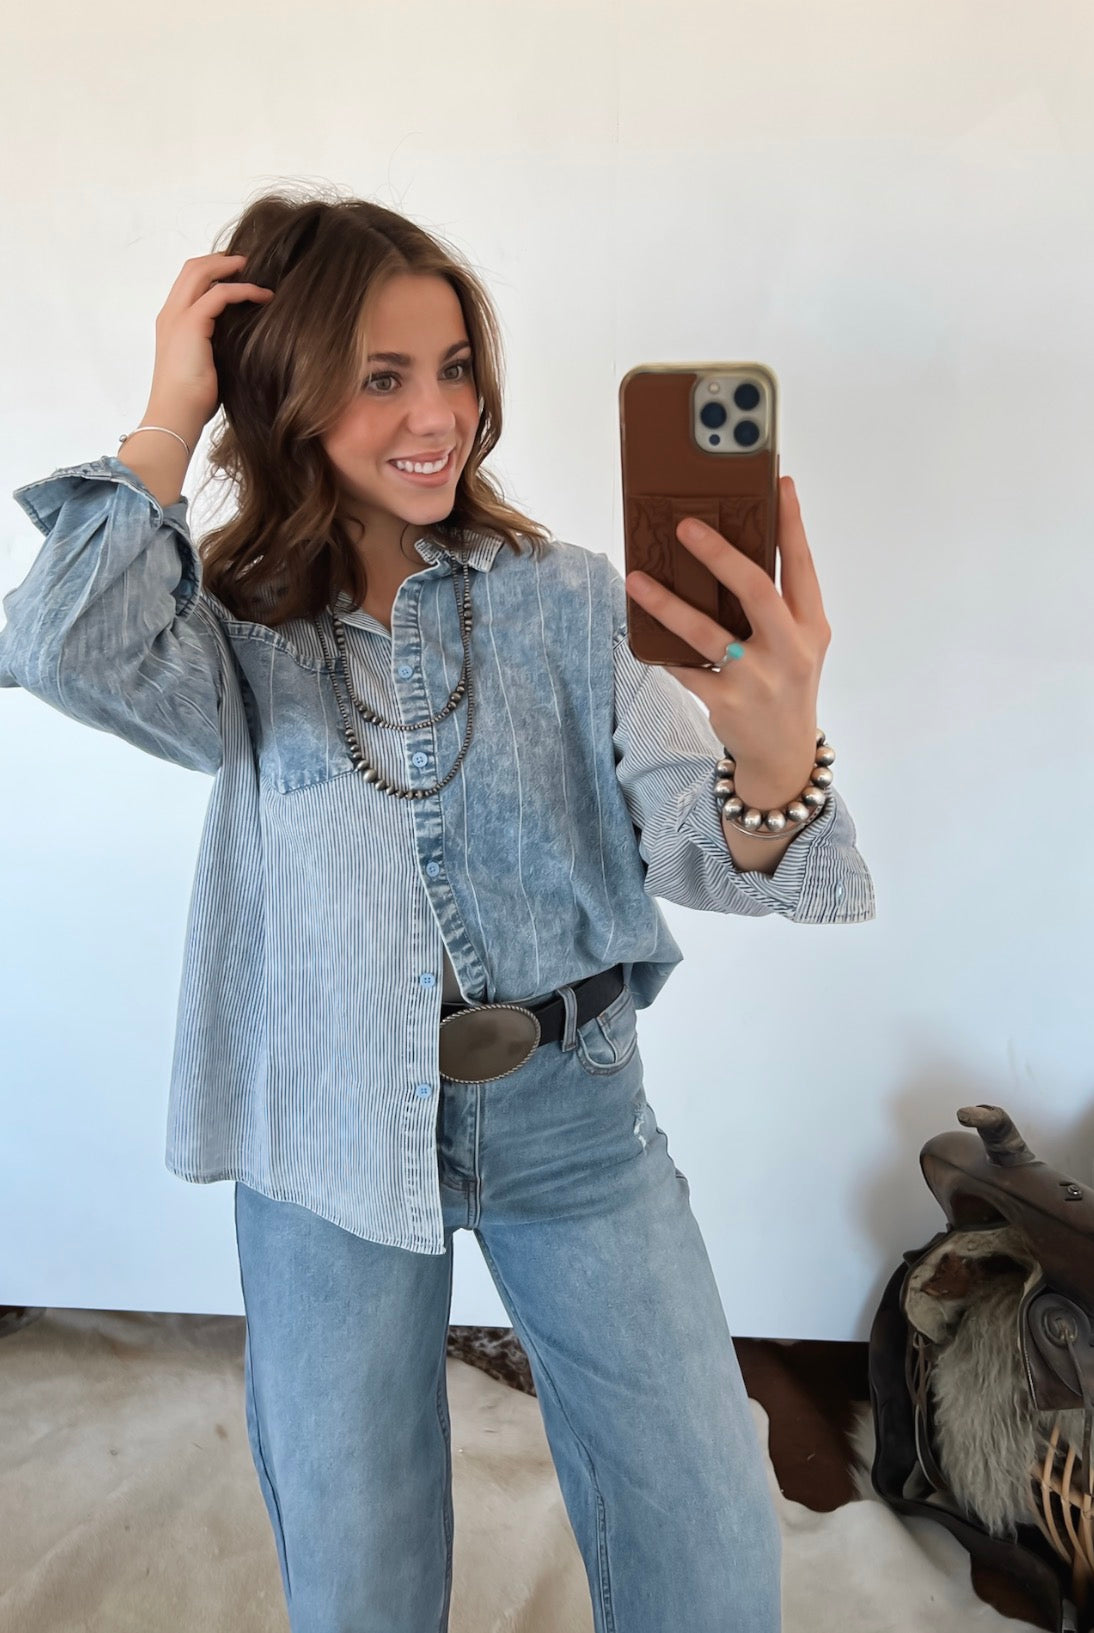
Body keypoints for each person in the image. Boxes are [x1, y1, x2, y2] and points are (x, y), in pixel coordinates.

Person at [0, 190, 875, 1633]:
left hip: (573, 1119)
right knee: (360, 1577)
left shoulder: (571, 599)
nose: (436, 416)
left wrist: (774, 758)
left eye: (456, 368)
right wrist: (169, 410)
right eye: (380, 376)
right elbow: (55, 644)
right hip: (325, 1121)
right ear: (283, 393)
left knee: (710, 1548)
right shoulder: (227, 633)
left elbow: (693, 836)